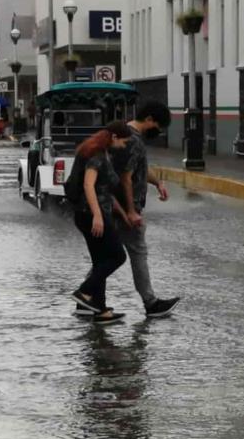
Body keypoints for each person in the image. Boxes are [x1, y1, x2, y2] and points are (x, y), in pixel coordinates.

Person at [111, 100, 181, 319]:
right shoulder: (133, 140)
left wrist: (157, 183)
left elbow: (140, 168)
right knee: (137, 253)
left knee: (108, 255)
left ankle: (87, 295)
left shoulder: (130, 136)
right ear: (149, 119)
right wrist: (131, 211)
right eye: (158, 127)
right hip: (124, 209)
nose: (158, 132)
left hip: (116, 206)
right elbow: (126, 177)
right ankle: (151, 303)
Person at [70, 121, 134, 325]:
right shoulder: (97, 155)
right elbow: (89, 185)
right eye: (124, 141)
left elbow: (103, 189)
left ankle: (99, 309)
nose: (124, 145)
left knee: (100, 261)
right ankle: (84, 292)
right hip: (91, 215)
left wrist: (122, 213)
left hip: (92, 213)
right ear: (114, 137)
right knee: (117, 256)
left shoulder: (102, 152)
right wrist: (97, 215)